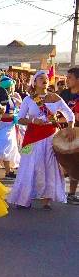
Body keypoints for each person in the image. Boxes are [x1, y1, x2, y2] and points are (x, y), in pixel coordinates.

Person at [8, 70, 75, 210]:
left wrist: (70, 128)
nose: (44, 80)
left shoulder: (55, 98)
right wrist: (33, 120)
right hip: (31, 137)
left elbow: (70, 114)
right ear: (35, 82)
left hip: (50, 136)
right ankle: (23, 198)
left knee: (49, 166)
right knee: (28, 165)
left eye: (46, 78)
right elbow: (19, 118)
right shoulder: (28, 99)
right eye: (41, 78)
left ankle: (46, 200)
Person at [0, 74, 22, 179]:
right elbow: (0, 113)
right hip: (1, 125)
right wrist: (14, 115)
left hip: (10, 126)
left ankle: (8, 171)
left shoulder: (13, 97)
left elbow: (19, 108)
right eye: (8, 87)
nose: (10, 89)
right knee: (1, 147)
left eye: (11, 87)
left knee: (9, 148)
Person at [58, 66, 79, 204]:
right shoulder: (63, 94)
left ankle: (71, 193)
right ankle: (55, 190)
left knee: (75, 164)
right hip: (63, 133)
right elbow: (55, 112)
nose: (67, 80)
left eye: (70, 77)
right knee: (64, 163)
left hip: (77, 133)